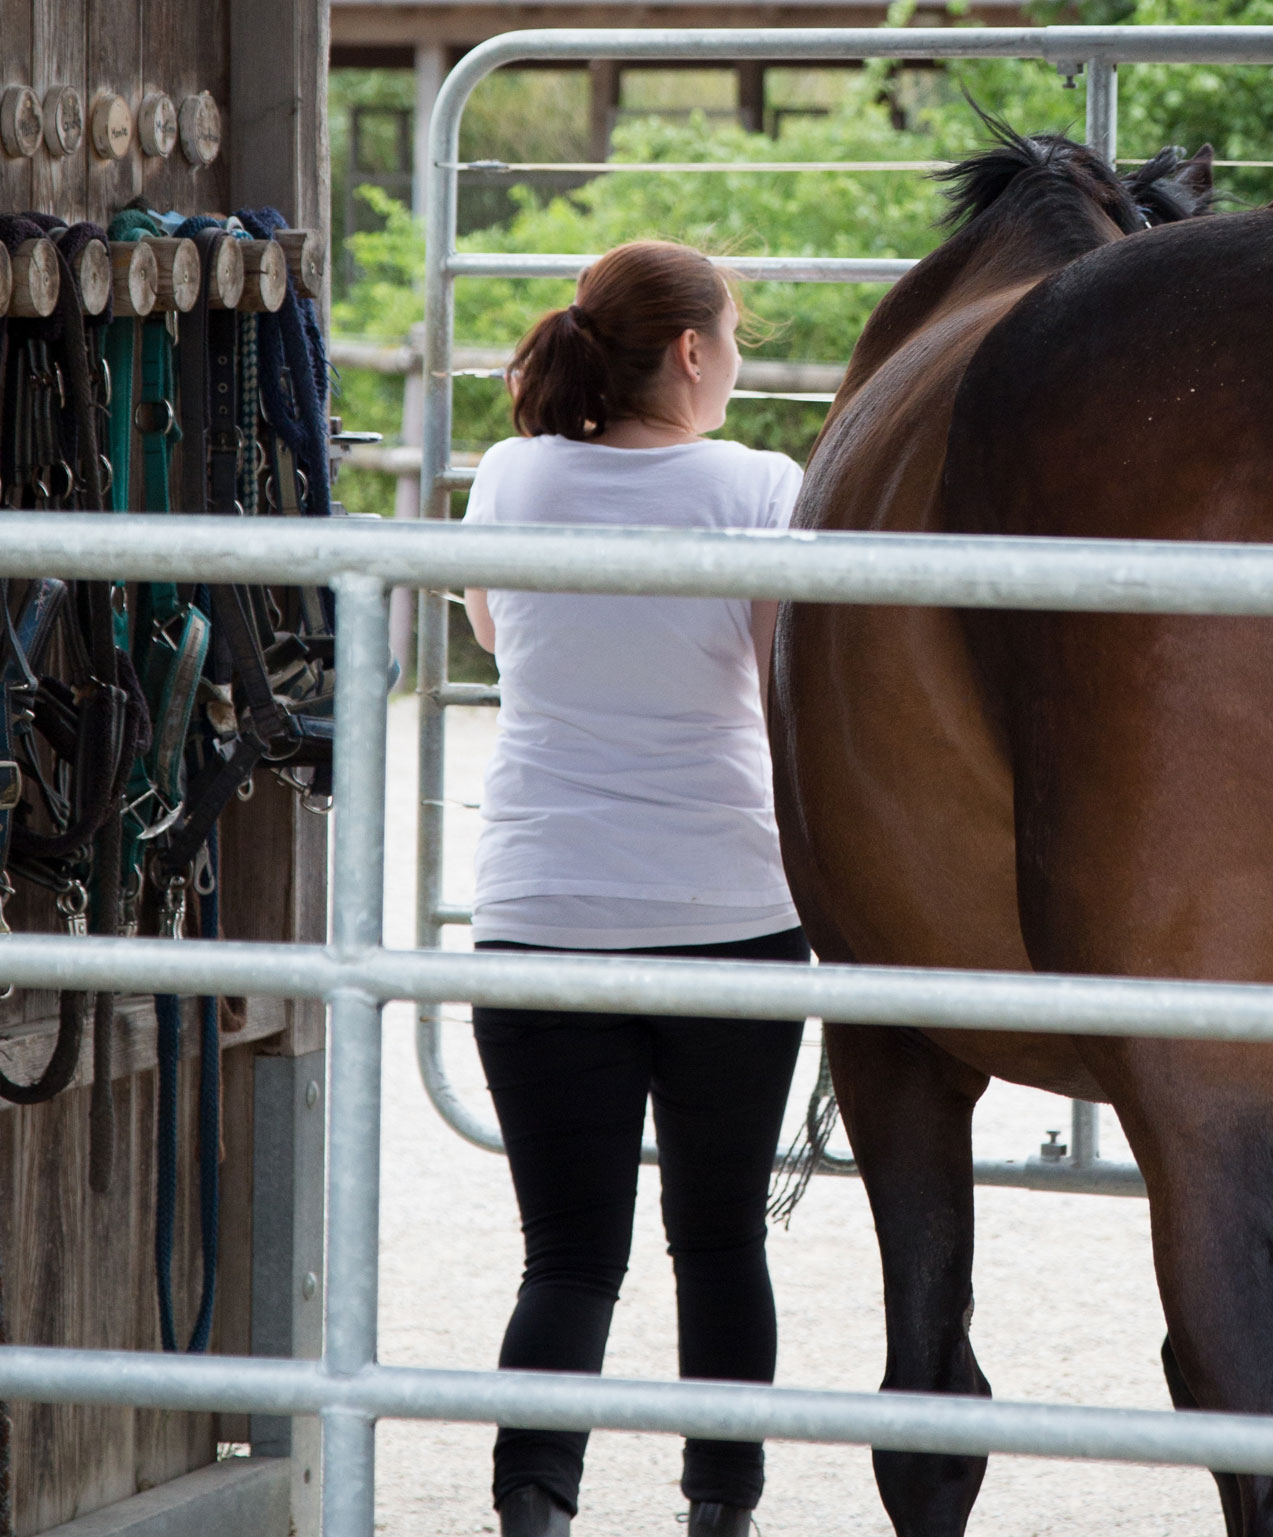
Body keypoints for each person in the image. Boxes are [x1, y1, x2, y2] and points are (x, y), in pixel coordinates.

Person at [460, 240, 810, 1537]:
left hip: (541, 913)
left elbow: (494, 630)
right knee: (719, 1242)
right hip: (727, 908)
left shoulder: (511, 475)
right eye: (737, 341)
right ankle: (720, 1510)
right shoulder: (760, 486)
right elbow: (783, 686)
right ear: (690, 352)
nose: (738, 365)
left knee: (567, 1255)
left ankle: (535, 1508)